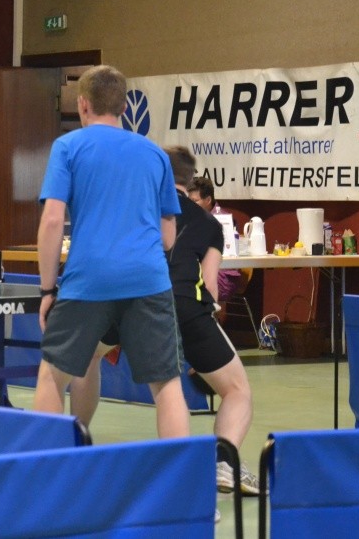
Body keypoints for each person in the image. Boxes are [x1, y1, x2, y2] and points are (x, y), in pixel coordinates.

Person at [71, 146, 260, 496]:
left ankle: (75, 440)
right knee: (237, 390)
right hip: (187, 307)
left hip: (128, 300)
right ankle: (223, 462)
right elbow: (211, 287)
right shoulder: (210, 224)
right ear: (189, 181)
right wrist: (205, 335)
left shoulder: (132, 207)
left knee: (87, 357)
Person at [32, 65, 190, 441]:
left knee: (52, 375)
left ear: (83, 104)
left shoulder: (68, 147)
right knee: (167, 386)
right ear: (123, 107)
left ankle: (47, 468)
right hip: (148, 279)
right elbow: (168, 236)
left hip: (88, 279)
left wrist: (47, 289)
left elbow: (52, 221)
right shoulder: (154, 155)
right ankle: (183, 475)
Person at [186, 174, 241, 315]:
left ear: (208, 200)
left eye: (195, 201)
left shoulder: (221, 220)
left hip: (222, 277)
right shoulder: (194, 218)